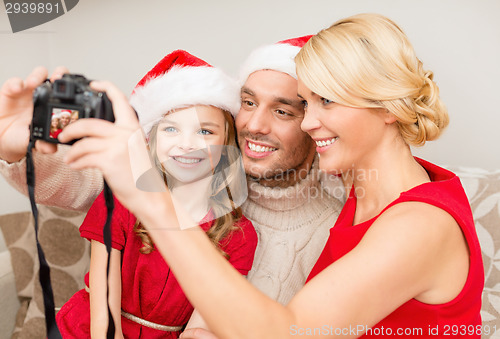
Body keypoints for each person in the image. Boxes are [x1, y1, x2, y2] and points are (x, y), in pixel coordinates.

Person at [58, 13, 483, 338]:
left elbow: (285, 331)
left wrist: (152, 201)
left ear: (389, 107)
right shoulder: (364, 187)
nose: (309, 122)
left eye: (326, 103)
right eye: (307, 104)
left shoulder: (420, 226)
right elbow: (91, 186)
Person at [0, 37, 345, 307]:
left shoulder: (338, 225)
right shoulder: (197, 171)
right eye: (249, 103)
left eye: (283, 111)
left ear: (315, 123)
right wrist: (11, 146)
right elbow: (82, 183)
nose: (254, 125)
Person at [54, 50, 258, 338]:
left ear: (227, 143)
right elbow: (104, 314)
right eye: (172, 129)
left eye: (205, 132)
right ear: (151, 141)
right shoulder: (121, 201)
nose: (187, 145)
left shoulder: (239, 235)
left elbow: (202, 324)